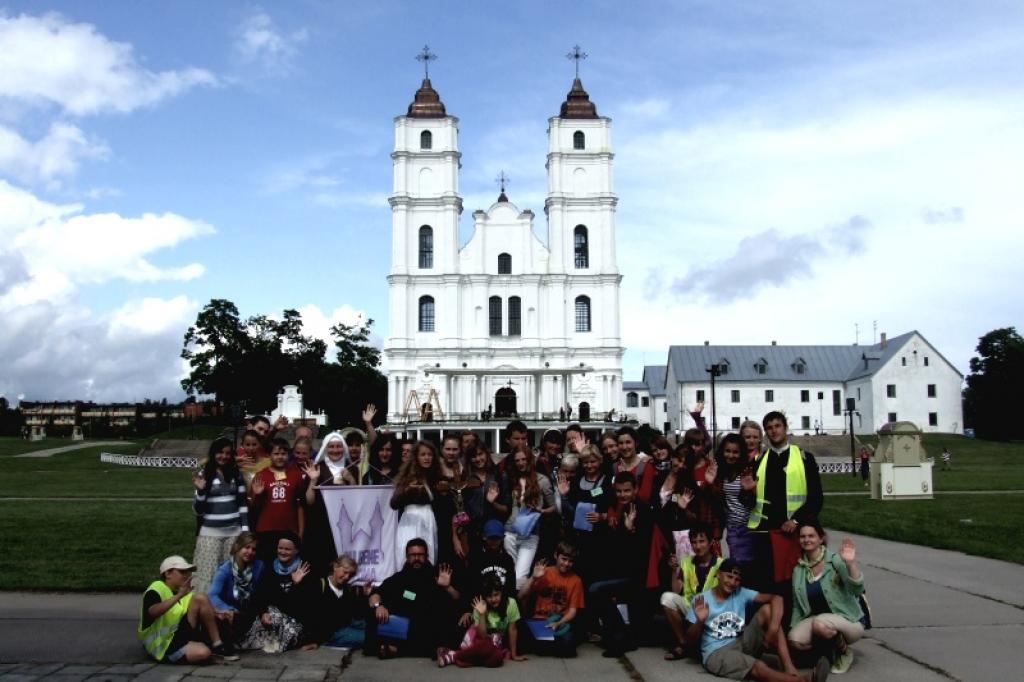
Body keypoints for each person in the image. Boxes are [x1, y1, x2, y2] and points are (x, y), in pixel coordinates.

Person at [685, 559, 828, 682]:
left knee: (767, 610)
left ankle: (790, 669)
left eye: (737, 579)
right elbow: (690, 641)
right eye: (729, 576)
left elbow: (776, 598)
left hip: (740, 642)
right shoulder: (701, 600)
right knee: (758, 666)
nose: (732, 582)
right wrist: (700, 621)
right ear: (718, 574)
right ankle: (804, 681)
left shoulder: (740, 592)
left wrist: (772, 628)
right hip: (716, 653)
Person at [748, 412, 824, 594]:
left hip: (796, 532)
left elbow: (816, 498)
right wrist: (747, 492)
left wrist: (796, 520)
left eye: (777, 426)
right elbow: (751, 502)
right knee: (770, 584)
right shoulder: (759, 462)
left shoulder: (805, 459)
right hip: (767, 531)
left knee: (797, 583)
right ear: (766, 433)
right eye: (769, 428)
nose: (774, 431)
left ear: (785, 428)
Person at [788, 523, 866, 675]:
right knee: (795, 640)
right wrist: (793, 628)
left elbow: (857, 589)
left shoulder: (835, 561)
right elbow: (797, 606)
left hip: (848, 620)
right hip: (818, 619)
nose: (806, 540)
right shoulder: (799, 569)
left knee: (820, 624)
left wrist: (850, 563)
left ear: (821, 538)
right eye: (803, 536)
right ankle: (827, 653)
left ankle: (844, 652)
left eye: (811, 536)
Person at [368, 538, 462, 659]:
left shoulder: (437, 576)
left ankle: (397, 649)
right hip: (404, 626)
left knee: (447, 620)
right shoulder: (399, 578)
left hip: (429, 627)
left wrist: (447, 587)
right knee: (373, 616)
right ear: (407, 557)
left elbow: (457, 599)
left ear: (426, 556)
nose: (416, 558)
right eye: (413, 555)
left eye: (420, 555)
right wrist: (378, 606)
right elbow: (375, 594)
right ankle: (421, 650)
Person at [138, 555, 238, 663]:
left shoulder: (184, 593)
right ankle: (198, 647)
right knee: (203, 653)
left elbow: (197, 609)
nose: (186, 576)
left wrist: (218, 613)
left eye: (187, 572)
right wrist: (178, 596)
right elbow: (153, 612)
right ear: (168, 574)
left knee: (200, 597)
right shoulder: (157, 588)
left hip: (178, 635)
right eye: (182, 572)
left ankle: (217, 644)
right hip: (161, 646)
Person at [192, 437, 249, 593]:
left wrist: (245, 530)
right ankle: (205, 610)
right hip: (210, 533)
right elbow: (198, 510)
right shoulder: (204, 474)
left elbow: (242, 504)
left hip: (234, 533)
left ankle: (227, 611)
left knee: (231, 575)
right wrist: (201, 491)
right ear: (213, 453)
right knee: (208, 576)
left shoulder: (236, 474)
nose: (223, 456)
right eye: (220, 453)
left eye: (227, 453)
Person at [241, 533, 315, 652]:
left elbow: (299, 606)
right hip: (273, 618)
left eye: (287, 549)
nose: (283, 552)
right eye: (280, 548)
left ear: (296, 551)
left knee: (275, 617)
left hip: (295, 621)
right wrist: (262, 613)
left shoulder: (304, 569)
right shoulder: (270, 568)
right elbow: (260, 596)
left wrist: (295, 585)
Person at [661, 524, 723, 660]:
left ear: (711, 542)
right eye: (694, 542)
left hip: (711, 611)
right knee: (666, 598)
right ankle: (684, 644)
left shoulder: (721, 564)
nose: (698, 546)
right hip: (690, 606)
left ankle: (702, 645)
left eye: (702, 541)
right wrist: (674, 569)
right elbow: (676, 590)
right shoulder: (686, 562)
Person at [437, 574, 526, 667]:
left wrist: (514, 655)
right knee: (486, 646)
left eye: (496, 595)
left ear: (501, 592)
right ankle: (453, 656)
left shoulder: (510, 603)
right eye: (489, 596)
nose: (493, 599)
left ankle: (453, 654)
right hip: (478, 641)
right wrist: (482, 614)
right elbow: (481, 635)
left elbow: (513, 630)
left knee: (497, 658)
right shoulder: (479, 605)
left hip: (494, 646)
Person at [517, 541, 584, 658]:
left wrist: (558, 623)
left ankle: (542, 645)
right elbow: (521, 596)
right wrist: (533, 578)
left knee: (568, 646)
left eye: (570, 561)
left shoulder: (576, 580)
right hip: (539, 621)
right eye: (564, 559)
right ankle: (543, 645)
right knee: (517, 635)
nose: (567, 564)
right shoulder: (545, 572)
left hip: (559, 623)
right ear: (556, 556)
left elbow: (573, 611)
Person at [503, 445, 556, 590]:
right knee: (510, 576)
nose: (521, 463)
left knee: (520, 578)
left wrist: (542, 511)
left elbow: (554, 507)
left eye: (524, 459)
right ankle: (511, 611)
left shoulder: (542, 480)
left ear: (530, 460)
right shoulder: (512, 479)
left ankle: (520, 611)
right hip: (509, 533)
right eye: (517, 460)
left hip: (530, 534)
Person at [250, 438, 306, 563]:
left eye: (283, 454)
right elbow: (253, 506)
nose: (280, 457)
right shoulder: (261, 475)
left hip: (289, 529)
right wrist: (258, 494)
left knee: (288, 564)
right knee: (266, 565)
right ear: (269, 455)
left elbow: (300, 506)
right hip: (266, 529)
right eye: (276, 454)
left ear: (288, 455)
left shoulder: (296, 475)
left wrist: (300, 532)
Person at [391, 440, 442, 565]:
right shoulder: (408, 477)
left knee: (428, 553)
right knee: (406, 553)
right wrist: (407, 490)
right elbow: (394, 503)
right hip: (409, 520)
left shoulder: (436, 476)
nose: (427, 458)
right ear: (416, 457)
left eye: (430, 454)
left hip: (428, 518)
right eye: (423, 454)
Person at [208, 532, 264, 643]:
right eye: (247, 547)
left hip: (250, 611)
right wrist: (229, 610)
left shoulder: (259, 566)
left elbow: (262, 592)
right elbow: (212, 595)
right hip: (229, 612)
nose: (250, 552)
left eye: (254, 549)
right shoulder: (225, 569)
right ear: (237, 546)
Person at [308, 555, 372, 651]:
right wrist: (314, 640)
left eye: (350, 575)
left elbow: (357, 613)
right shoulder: (319, 585)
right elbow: (312, 616)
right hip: (331, 634)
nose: (347, 577)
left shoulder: (348, 589)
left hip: (347, 625)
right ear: (335, 567)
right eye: (345, 572)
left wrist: (365, 596)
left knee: (374, 625)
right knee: (369, 636)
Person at [712, 433, 757, 568]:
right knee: (737, 569)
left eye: (735, 452)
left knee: (749, 569)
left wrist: (749, 491)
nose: (731, 455)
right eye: (728, 451)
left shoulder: (747, 471)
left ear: (741, 453)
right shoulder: (721, 472)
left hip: (749, 528)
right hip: (733, 529)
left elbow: (753, 503)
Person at [615, 426, 656, 505]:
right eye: (621, 443)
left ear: (636, 443)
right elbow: (611, 496)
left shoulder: (646, 467)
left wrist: (626, 476)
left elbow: (644, 497)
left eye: (628, 442)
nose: (624, 447)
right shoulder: (614, 467)